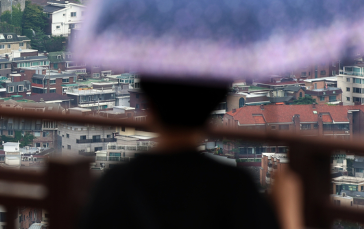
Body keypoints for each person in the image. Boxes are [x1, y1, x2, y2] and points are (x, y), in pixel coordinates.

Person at [80, 78, 301, 229]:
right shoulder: (233, 187)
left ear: (149, 103)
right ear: (214, 105)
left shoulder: (116, 183)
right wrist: (288, 209)